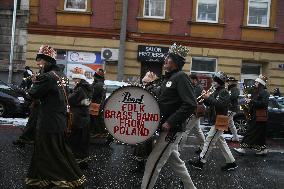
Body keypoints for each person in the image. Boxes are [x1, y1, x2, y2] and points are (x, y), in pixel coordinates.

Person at [25, 45, 86, 188]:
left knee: (50, 153)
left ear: (46, 61)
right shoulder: (61, 75)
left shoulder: (47, 77)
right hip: (59, 121)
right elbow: (52, 94)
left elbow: (32, 94)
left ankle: (65, 179)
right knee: (57, 151)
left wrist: (31, 85)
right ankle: (40, 178)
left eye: (40, 60)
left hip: (48, 122)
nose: (38, 63)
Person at [141, 43, 197, 189]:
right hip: (166, 128)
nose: (165, 59)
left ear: (176, 62)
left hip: (172, 129)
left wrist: (171, 122)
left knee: (152, 163)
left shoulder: (181, 77)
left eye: (169, 57)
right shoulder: (169, 79)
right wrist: (149, 85)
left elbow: (190, 104)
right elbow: (160, 97)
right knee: (176, 161)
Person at [188, 71, 238, 171]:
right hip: (218, 119)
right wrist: (205, 98)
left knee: (209, 140)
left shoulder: (223, 91)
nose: (212, 82)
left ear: (218, 81)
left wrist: (208, 98)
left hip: (221, 119)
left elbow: (220, 104)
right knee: (221, 142)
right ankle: (231, 162)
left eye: (214, 80)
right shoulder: (217, 91)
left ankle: (201, 161)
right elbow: (212, 103)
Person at [234, 75, 269, 156]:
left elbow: (264, 104)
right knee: (260, 134)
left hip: (259, 116)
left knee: (250, 132)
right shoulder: (255, 92)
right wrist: (247, 102)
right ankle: (263, 150)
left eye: (257, 82)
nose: (255, 83)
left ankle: (242, 148)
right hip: (256, 115)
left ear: (261, 83)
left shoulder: (264, 92)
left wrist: (251, 101)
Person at [68, 67, 93, 169]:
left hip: (78, 117)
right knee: (83, 139)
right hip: (85, 116)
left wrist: (70, 95)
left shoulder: (80, 89)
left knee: (76, 139)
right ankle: (83, 160)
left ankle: (78, 161)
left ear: (78, 79)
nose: (74, 81)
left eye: (74, 79)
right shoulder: (88, 88)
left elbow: (70, 99)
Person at [179, 73, 205, 153]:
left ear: (194, 80)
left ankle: (178, 149)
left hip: (194, 111)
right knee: (197, 130)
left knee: (185, 130)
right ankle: (203, 147)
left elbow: (192, 98)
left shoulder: (198, 88)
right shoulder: (196, 87)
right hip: (195, 111)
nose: (189, 82)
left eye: (190, 80)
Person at [90, 68, 107, 139]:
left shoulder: (97, 85)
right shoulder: (103, 84)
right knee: (99, 119)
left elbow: (92, 94)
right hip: (100, 104)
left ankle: (98, 133)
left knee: (95, 119)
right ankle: (102, 133)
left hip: (95, 104)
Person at [226, 76, 240, 142]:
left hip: (232, 108)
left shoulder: (235, 89)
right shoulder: (230, 89)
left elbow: (234, 96)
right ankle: (236, 137)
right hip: (230, 108)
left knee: (224, 122)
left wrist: (226, 97)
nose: (228, 82)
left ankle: (217, 135)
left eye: (229, 81)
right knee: (231, 124)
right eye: (228, 81)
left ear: (233, 82)